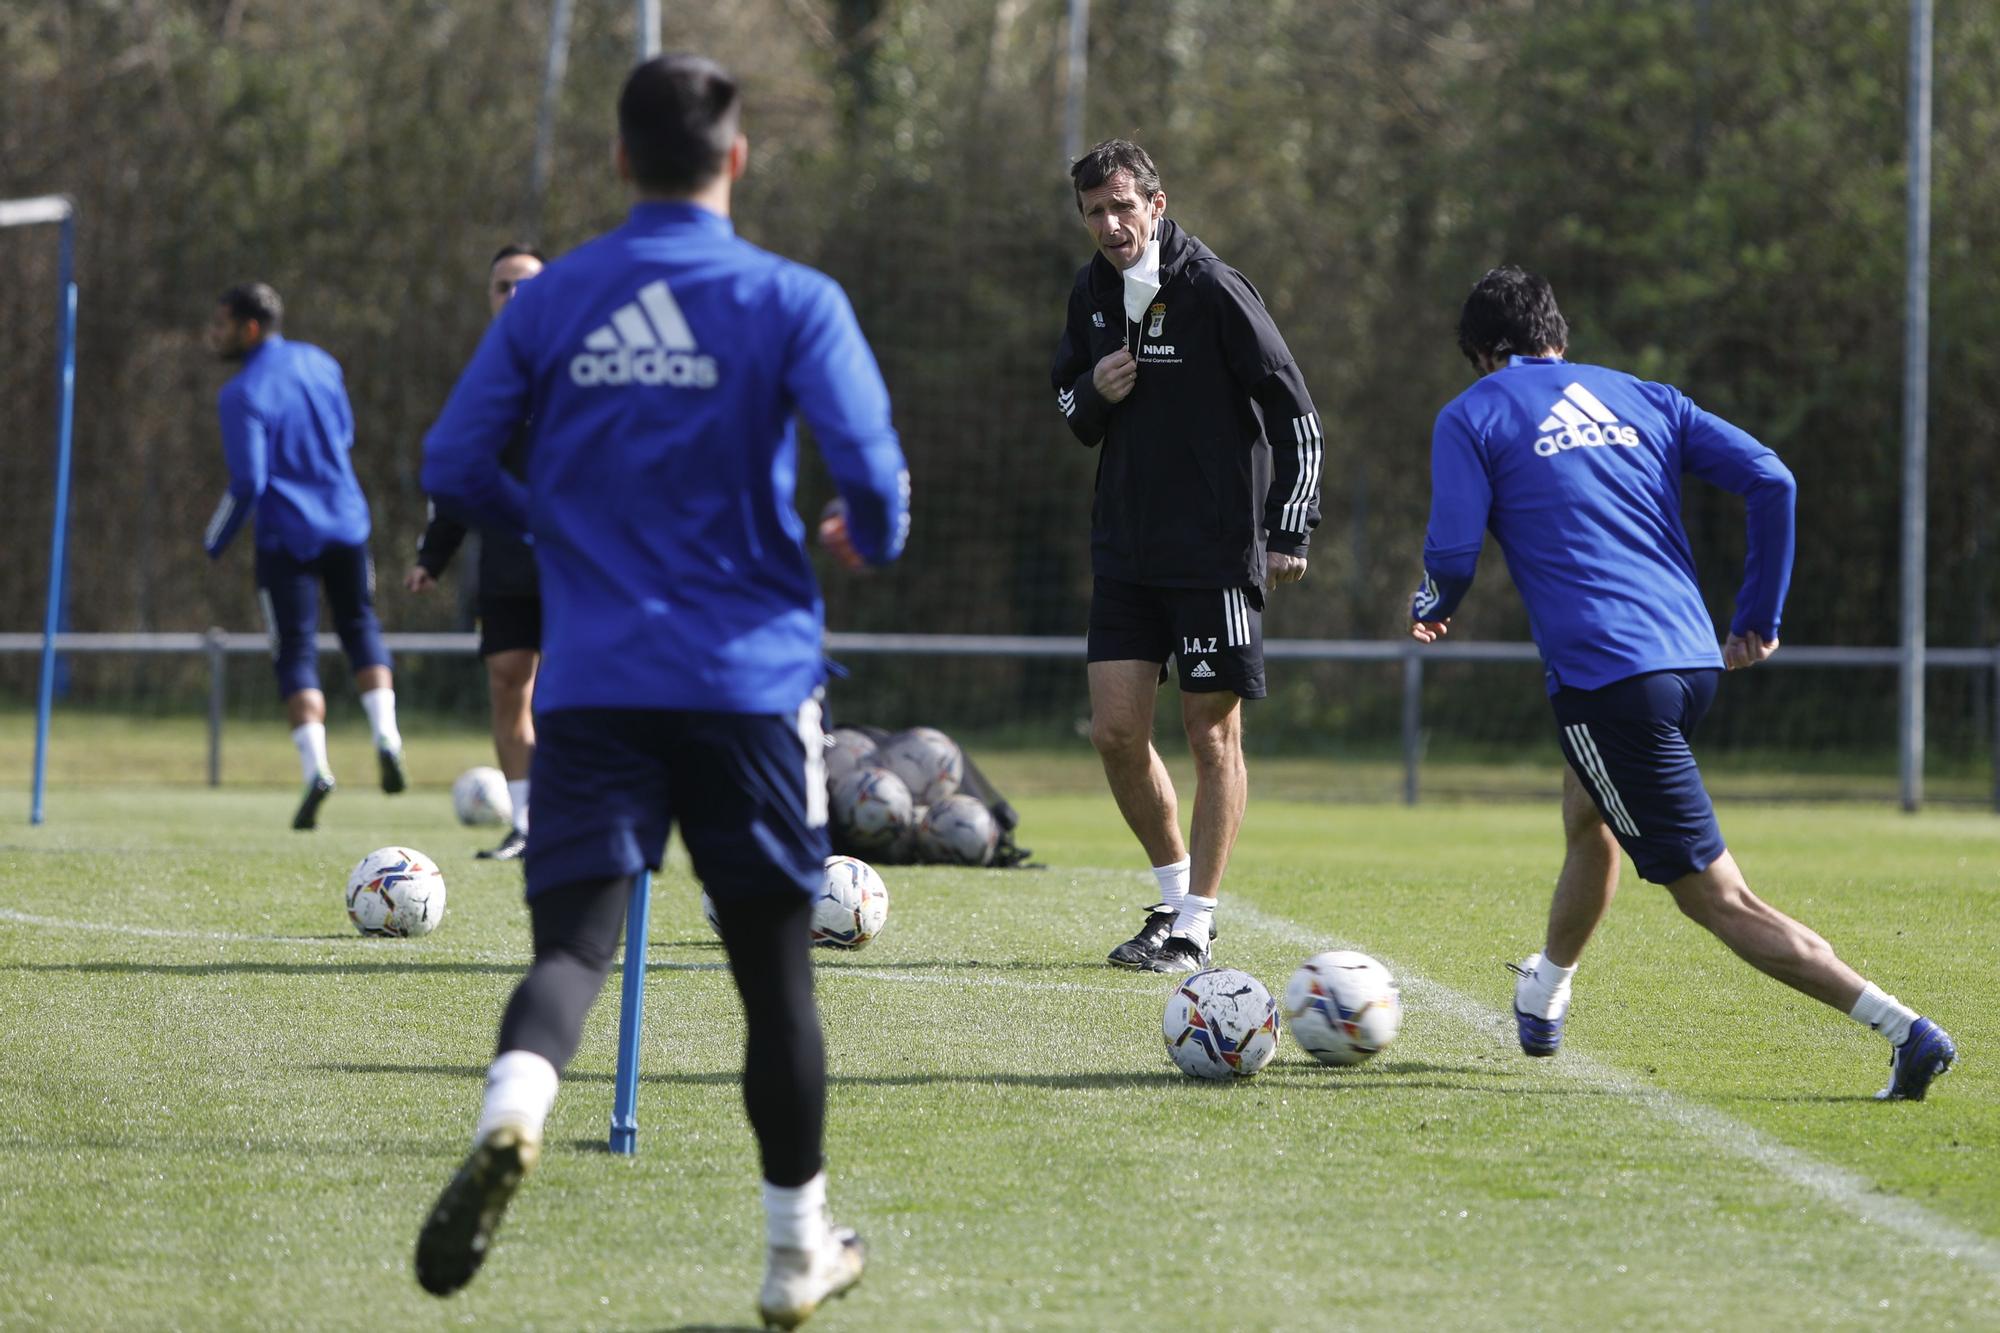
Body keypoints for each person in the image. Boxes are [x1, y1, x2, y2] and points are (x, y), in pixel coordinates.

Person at [412, 54, 909, 1328]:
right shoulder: (792, 298)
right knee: (769, 979)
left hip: (591, 684)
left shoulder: (551, 300)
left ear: (621, 161)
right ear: (735, 161)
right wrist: (865, 527)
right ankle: (797, 1248)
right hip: (747, 686)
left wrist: (559, 529)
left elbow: (454, 459)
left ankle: (515, 1112)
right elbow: (879, 490)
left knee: (576, 945)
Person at [1409, 265, 1956, 1100]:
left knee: (1717, 898)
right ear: (1560, 337)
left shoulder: (1473, 412)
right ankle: (1545, 991)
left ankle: (1902, 1029)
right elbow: (1773, 477)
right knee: (1587, 809)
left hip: (1605, 678)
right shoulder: (1643, 395)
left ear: (1483, 355)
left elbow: (1451, 551)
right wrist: (1759, 616)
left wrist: (1434, 601)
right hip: (1689, 659)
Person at [1050, 139, 1323, 974]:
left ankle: (1198, 923)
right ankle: (1173, 903)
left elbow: (1296, 411)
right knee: (1115, 731)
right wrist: (1095, 387)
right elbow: (1066, 401)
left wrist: (1289, 527)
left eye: (1123, 206)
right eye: (1095, 211)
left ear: (1157, 206)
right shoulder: (1092, 291)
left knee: (1211, 734)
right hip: (1126, 551)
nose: (1110, 224)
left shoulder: (1211, 288)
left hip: (1213, 553)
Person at [203, 282, 407, 830]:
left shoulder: (241, 392)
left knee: (294, 650)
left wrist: (216, 539)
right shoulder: (321, 363)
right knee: (361, 623)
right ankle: (387, 736)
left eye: (220, 324)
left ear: (249, 329)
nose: (212, 334)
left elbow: (249, 480)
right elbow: (344, 433)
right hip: (347, 520)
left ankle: (317, 769)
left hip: (285, 538)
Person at [405, 244, 547, 860]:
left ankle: (577, 821)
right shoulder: (484, 381)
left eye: (526, 284)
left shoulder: (586, 370)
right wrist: (432, 557)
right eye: (501, 286)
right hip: (507, 569)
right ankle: (526, 822)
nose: (514, 296)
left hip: (580, 568)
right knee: (507, 682)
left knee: (573, 696)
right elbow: (458, 474)